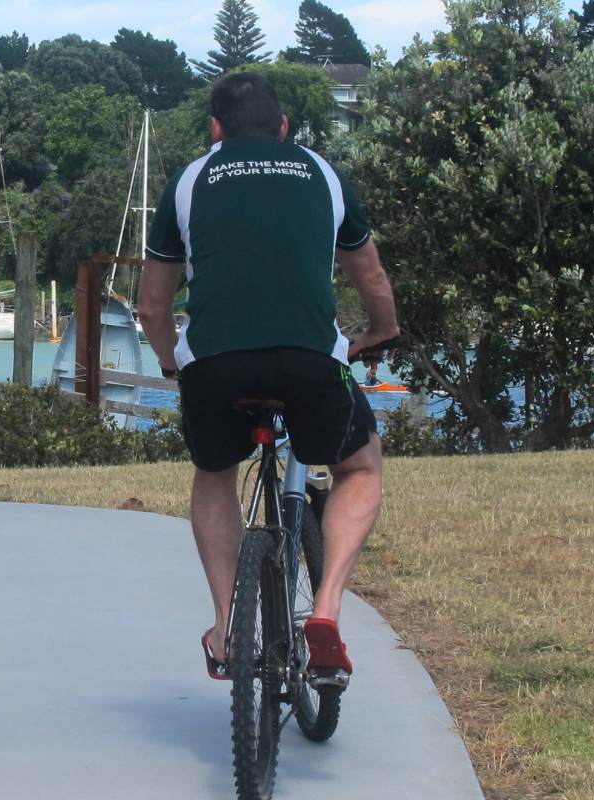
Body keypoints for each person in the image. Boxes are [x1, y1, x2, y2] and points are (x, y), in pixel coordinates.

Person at [137, 72, 400, 688]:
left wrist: (174, 364)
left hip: (216, 362)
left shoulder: (190, 179)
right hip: (309, 359)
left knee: (214, 472)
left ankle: (229, 627)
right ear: (283, 126)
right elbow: (371, 277)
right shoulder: (322, 173)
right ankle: (327, 608)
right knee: (360, 467)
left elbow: (151, 306)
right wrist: (381, 331)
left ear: (215, 129)